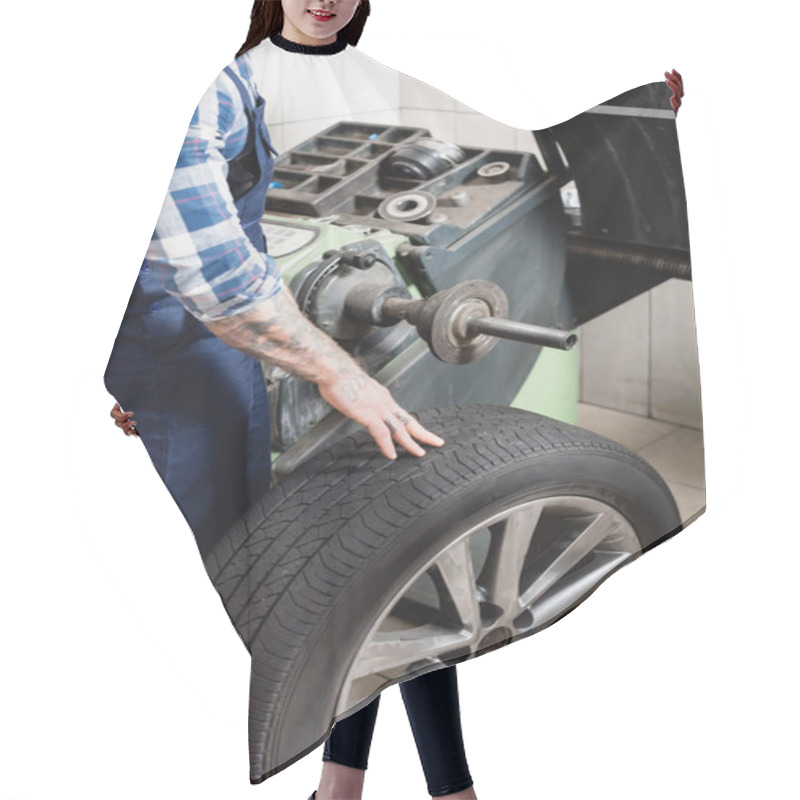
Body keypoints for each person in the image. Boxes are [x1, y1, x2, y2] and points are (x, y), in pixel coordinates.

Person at [105, 2, 477, 798]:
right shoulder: (212, 83)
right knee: (307, 591)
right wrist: (124, 364)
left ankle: (349, 787)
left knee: (346, 575)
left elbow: (220, 242)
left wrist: (641, 113)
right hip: (190, 370)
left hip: (220, 362)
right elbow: (177, 259)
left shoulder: (253, 85)